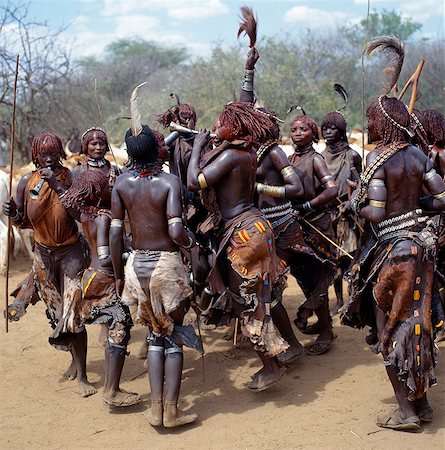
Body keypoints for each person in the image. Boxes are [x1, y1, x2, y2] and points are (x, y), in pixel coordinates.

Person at [342, 95, 445, 430]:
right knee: (418, 326)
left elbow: (377, 211)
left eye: (372, 119)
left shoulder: (377, 158)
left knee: (389, 330)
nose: (369, 125)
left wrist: (355, 202)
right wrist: (415, 206)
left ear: (384, 123)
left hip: (394, 254)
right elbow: (442, 199)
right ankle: (423, 404)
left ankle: (406, 412)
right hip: (421, 250)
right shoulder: (418, 154)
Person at [187, 102, 289, 392]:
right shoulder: (249, 152)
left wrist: (196, 147)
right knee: (259, 299)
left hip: (243, 234)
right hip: (256, 227)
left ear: (237, 128)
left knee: (246, 301)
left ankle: (271, 367)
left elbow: (195, 182)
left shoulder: (232, 154)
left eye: (221, 123)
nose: (216, 127)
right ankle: (279, 355)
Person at [110, 122, 199, 428]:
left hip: (135, 266)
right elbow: (175, 229)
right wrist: (193, 245)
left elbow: (115, 233)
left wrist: (118, 273)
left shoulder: (122, 183)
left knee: (152, 335)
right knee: (172, 335)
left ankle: (155, 408)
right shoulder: (169, 181)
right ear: (156, 150)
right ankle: (172, 412)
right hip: (165, 265)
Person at [2, 131, 95, 397]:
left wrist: (57, 185)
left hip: (71, 252)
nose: (50, 158)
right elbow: (23, 221)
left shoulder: (71, 177)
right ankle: (74, 363)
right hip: (43, 256)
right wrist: (14, 213)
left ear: (60, 153)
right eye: (44, 154)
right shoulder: (25, 182)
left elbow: (80, 214)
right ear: (35, 156)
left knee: (73, 313)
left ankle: (84, 377)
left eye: (54, 153)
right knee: (57, 313)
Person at [237, 46, 306, 363]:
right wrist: (248, 71)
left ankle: (292, 344)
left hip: (280, 226)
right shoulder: (247, 150)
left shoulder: (274, 152)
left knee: (273, 292)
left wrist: (260, 187)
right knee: (264, 291)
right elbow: (242, 105)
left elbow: (296, 187)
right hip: (257, 228)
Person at [60, 169, 140, 407]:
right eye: (106, 186)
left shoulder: (85, 215)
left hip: (90, 275)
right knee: (120, 328)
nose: (111, 187)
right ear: (98, 192)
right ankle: (112, 390)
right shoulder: (105, 218)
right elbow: (106, 254)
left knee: (115, 329)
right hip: (105, 276)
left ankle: (111, 386)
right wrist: (126, 258)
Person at [287, 114, 339, 355]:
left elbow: (332, 190)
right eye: (293, 129)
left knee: (318, 278)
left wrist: (309, 206)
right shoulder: (288, 159)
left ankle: (327, 331)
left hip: (318, 225)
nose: (297, 133)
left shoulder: (315, 159)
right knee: (303, 277)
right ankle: (322, 322)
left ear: (313, 134)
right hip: (297, 227)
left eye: (303, 129)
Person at [321, 108, 362, 313]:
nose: (328, 131)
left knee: (349, 259)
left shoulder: (352, 156)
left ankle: (351, 299)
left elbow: (362, 185)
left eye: (333, 128)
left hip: (348, 216)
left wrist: (351, 202)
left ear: (341, 130)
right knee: (332, 261)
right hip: (327, 216)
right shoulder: (319, 158)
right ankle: (337, 300)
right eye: (325, 128)